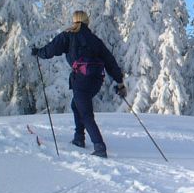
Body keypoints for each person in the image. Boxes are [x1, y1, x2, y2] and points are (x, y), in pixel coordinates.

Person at [32, 10, 126, 158]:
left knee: (85, 113)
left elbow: (51, 49)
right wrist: (119, 82)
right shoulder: (95, 40)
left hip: (81, 80)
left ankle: (99, 147)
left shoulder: (68, 35)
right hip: (96, 81)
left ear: (74, 20)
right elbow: (110, 61)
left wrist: (39, 53)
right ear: (87, 21)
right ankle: (79, 138)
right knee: (76, 105)